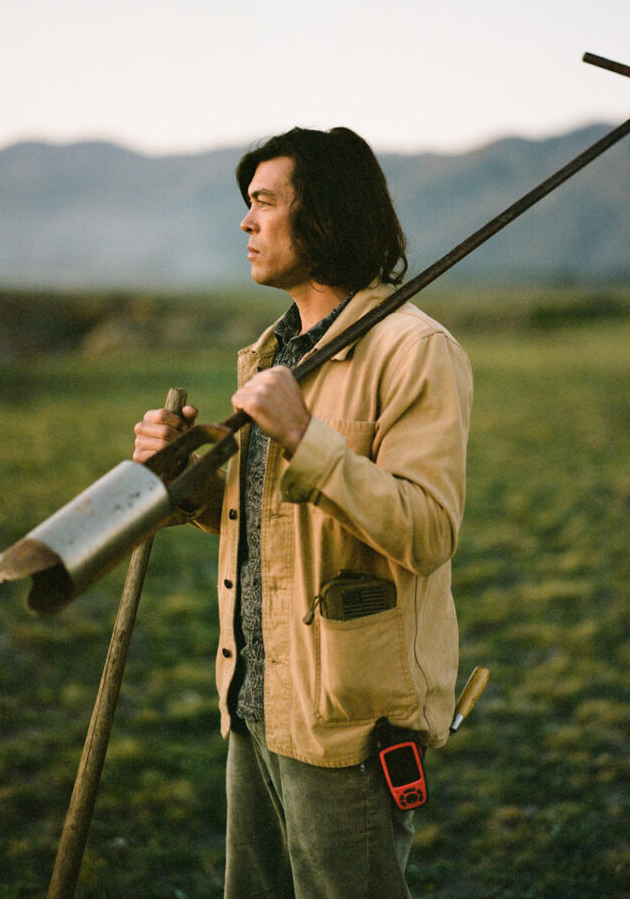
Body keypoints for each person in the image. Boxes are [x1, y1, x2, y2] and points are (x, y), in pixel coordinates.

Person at [133, 126, 473, 899]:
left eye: (263, 203)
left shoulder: (414, 349)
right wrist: (178, 478)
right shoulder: (274, 351)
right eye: (245, 205)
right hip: (254, 703)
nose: (246, 224)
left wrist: (303, 435)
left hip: (345, 724)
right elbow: (267, 524)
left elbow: (427, 533)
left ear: (322, 216)